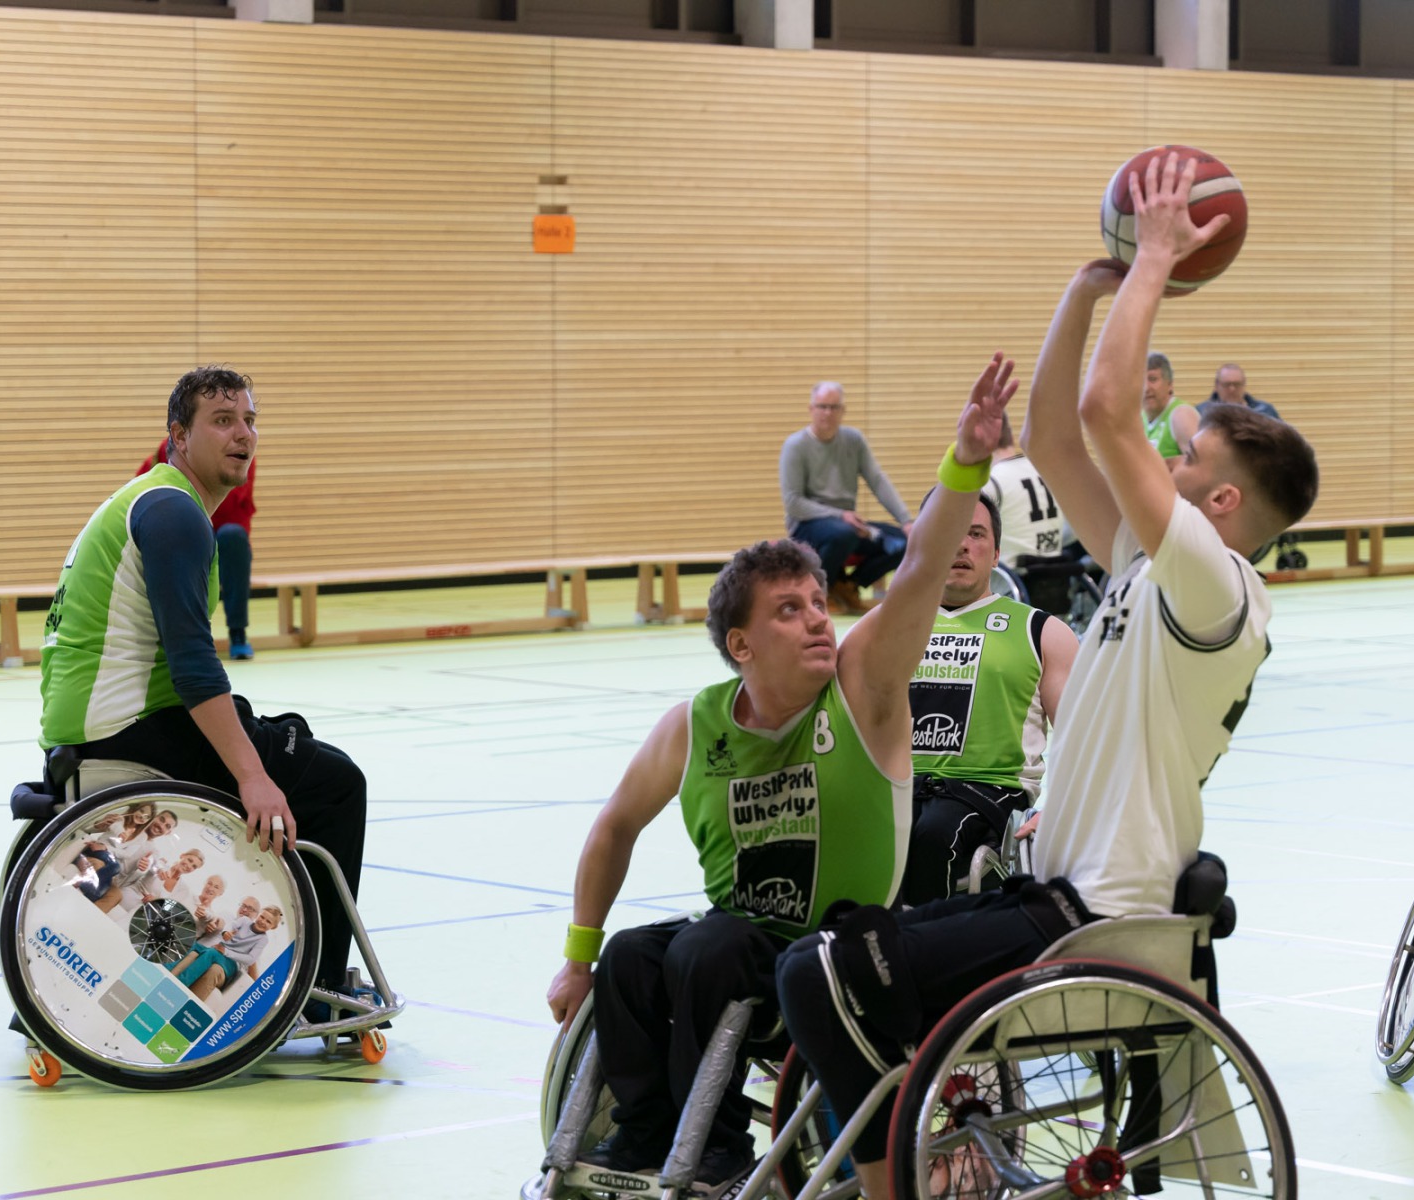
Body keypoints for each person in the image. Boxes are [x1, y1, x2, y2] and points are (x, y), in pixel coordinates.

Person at [773, 151, 1319, 1199]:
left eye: (1187, 458)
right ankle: (925, 1159)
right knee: (820, 959)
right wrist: (1088, 285)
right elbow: (1059, 438)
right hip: (1057, 890)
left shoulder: (1218, 586)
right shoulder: (1152, 569)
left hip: (1102, 912)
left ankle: (906, 1178)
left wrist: (1154, 256)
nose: (1165, 459)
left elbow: (1111, 412)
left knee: (824, 974)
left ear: (1221, 507)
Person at [542, 357, 1019, 1193]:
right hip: (736, 942)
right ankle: (645, 1137)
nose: (817, 622)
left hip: (838, 951)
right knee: (629, 957)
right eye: (789, 610)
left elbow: (915, 573)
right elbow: (613, 828)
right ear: (742, 645)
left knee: (709, 946)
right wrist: (577, 957)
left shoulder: (863, 688)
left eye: (818, 603)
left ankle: (721, 1146)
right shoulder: (694, 725)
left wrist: (966, 462)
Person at [39, 365, 368, 1004]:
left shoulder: (155, 500)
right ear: (179, 437)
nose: (243, 433)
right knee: (334, 783)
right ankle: (317, 989)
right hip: (127, 726)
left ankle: (297, 970)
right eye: (222, 420)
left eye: (249, 420)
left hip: (98, 719)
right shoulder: (173, 513)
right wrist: (252, 776)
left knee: (289, 742)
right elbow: (193, 665)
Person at [902, 486, 1078, 904]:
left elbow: (1085, 737)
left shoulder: (1043, 632)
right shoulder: (885, 627)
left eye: (976, 534)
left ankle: (925, 943)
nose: (961, 544)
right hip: (899, 787)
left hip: (989, 791)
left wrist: (1064, 809)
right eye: (948, 530)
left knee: (934, 835)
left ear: (997, 553)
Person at [780, 381, 915, 613]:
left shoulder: (854, 440)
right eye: (822, 406)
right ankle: (822, 590)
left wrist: (906, 521)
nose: (828, 413)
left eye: (834, 407)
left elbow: (877, 480)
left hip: (848, 524)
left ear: (843, 411)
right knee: (844, 533)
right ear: (811, 409)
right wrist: (841, 515)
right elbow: (793, 503)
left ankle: (848, 585)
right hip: (808, 524)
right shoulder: (796, 446)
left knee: (906, 542)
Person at [138, 436, 256, 659]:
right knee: (178, 538)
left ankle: (238, 633)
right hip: (185, 534)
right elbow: (141, 493)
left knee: (233, 536)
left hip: (224, 538)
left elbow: (235, 506)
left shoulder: (240, 451)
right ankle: (180, 639)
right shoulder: (168, 449)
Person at [982, 414, 1074, 564]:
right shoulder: (1044, 469)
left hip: (1011, 574)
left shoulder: (991, 481)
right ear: (1010, 436)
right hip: (1057, 570)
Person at [1142, 350, 1197, 459]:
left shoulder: (1181, 416)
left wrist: (1167, 465)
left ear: (1170, 384)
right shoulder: (1138, 418)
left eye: (1153, 379)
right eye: (1140, 381)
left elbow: (1202, 465)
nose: (1146, 388)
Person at [1201, 362, 1283, 421]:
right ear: (1216, 386)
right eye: (1226, 384)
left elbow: (1281, 437)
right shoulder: (1201, 412)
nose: (1232, 389)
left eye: (1237, 384)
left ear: (1244, 385)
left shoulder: (1265, 411)